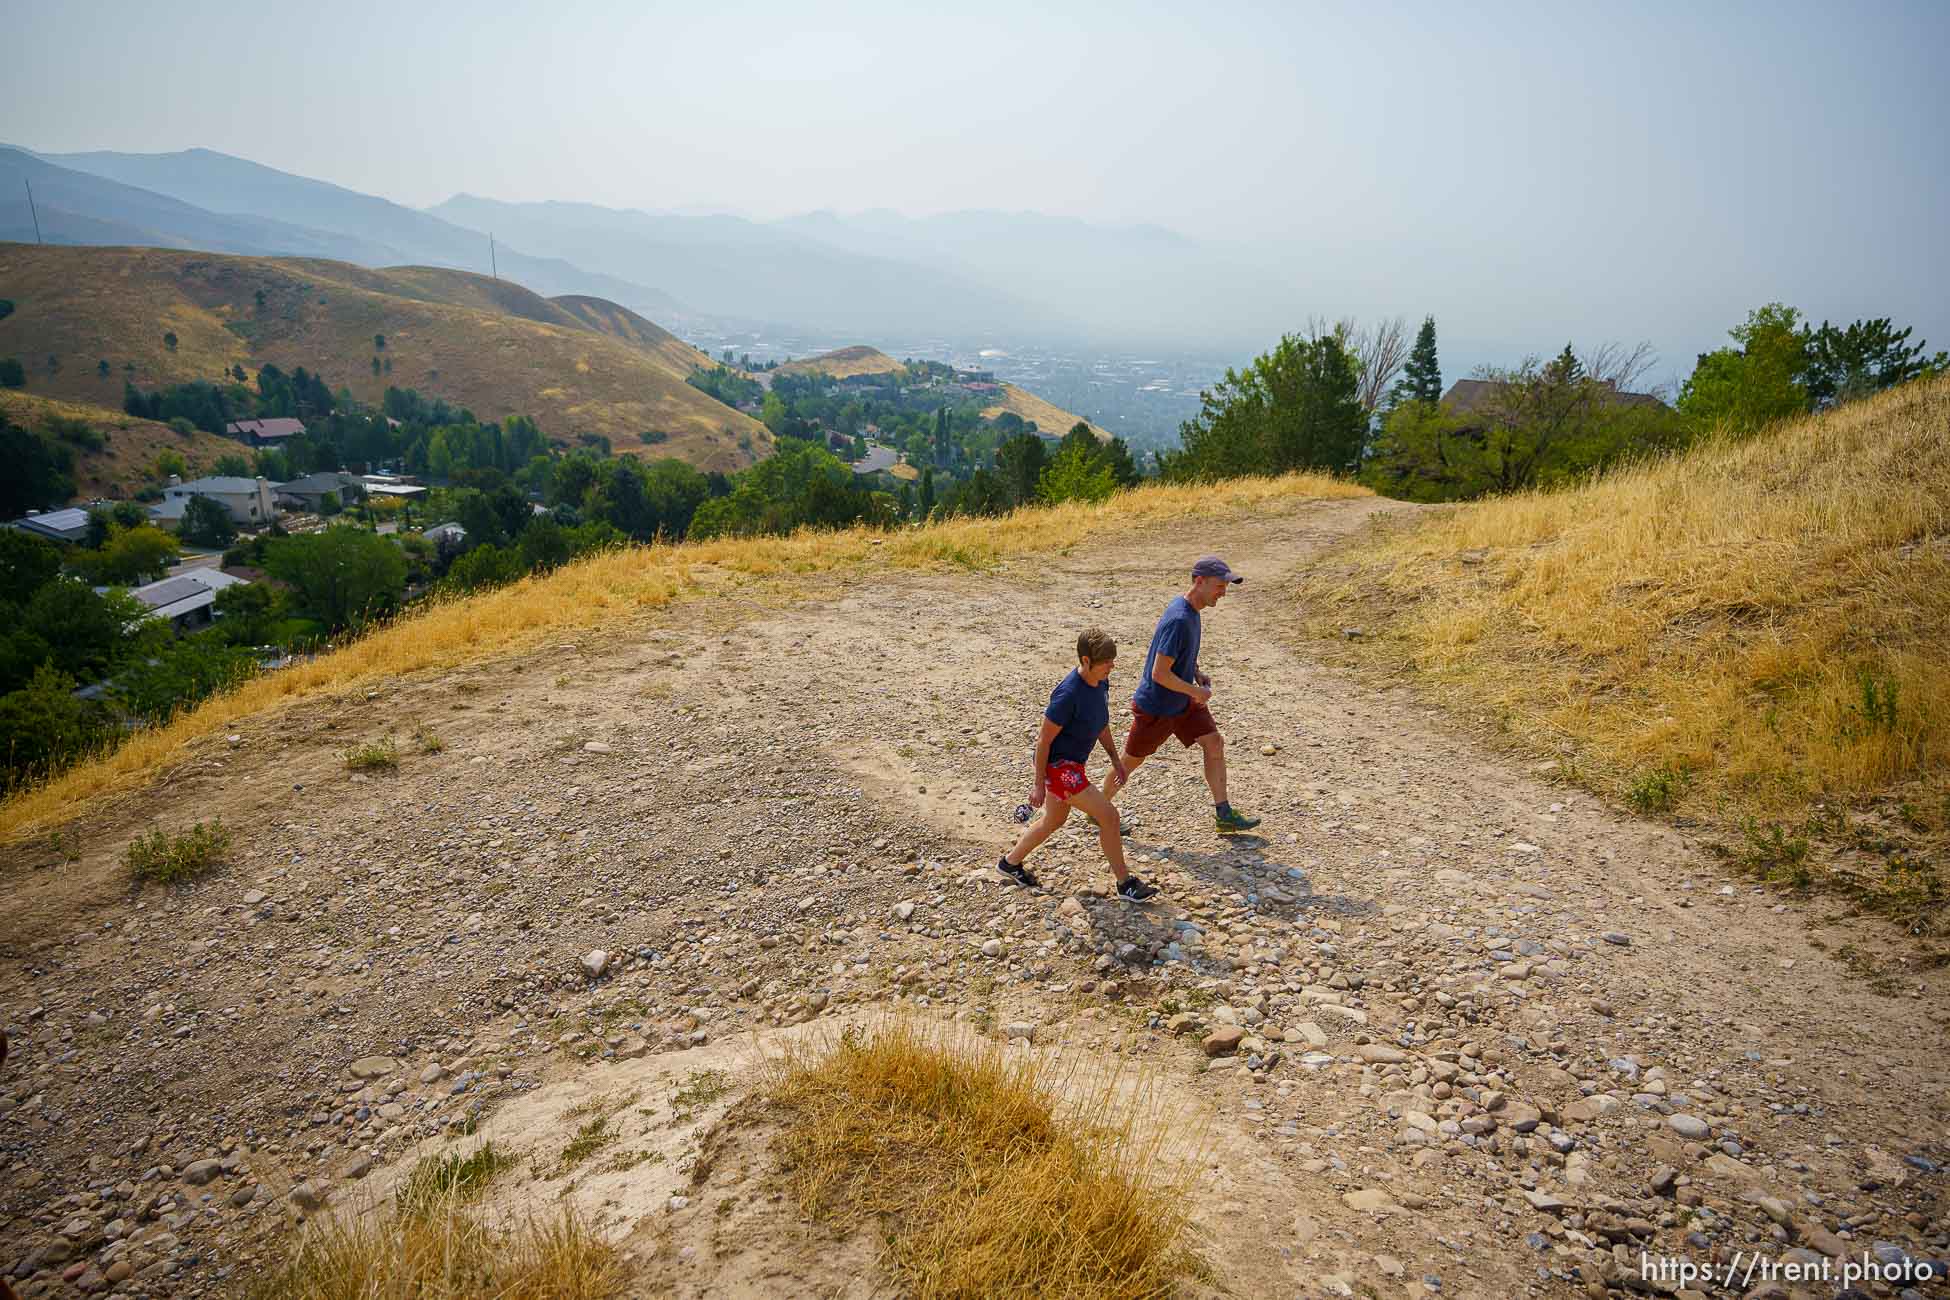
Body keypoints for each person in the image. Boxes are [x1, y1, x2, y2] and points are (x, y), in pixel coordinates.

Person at [997, 628, 1160, 901]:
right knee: (1108, 816)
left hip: (1073, 767)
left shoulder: (1100, 683)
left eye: (1112, 660)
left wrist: (1115, 759)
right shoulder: (1067, 694)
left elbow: (1101, 723)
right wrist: (1038, 784)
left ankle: (1009, 863)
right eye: (1106, 661)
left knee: (1054, 820)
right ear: (1086, 661)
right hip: (1060, 769)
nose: (1112, 665)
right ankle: (1126, 883)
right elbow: (1043, 742)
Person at [1104, 555, 1262, 834]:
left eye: (1226, 586)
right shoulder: (1179, 618)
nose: (1224, 592)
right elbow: (1159, 673)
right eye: (1220, 586)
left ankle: (1223, 814)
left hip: (1183, 700)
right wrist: (1196, 690)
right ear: (1200, 582)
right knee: (1130, 761)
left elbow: (1179, 658)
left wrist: (1196, 672)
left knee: (1214, 743)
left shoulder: (1192, 611)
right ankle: (1098, 808)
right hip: (1158, 706)